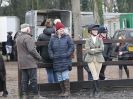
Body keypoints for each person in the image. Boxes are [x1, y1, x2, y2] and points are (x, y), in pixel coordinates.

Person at [16, 23, 42, 99]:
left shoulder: (18, 38)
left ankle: (24, 95)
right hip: (30, 62)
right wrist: (39, 57)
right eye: (29, 28)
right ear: (27, 29)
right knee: (33, 79)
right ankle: (36, 95)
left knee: (24, 79)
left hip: (22, 62)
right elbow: (31, 49)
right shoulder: (28, 38)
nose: (30, 30)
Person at [48, 22, 74, 96]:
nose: (62, 30)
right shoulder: (52, 38)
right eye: (60, 29)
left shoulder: (67, 37)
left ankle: (67, 92)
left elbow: (72, 46)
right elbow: (49, 48)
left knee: (65, 75)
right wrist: (52, 55)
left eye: (63, 29)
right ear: (57, 30)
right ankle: (63, 91)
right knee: (59, 76)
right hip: (56, 60)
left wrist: (67, 54)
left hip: (65, 60)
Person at [84, 24, 105, 96]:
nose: (96, 31)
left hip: (99, 59)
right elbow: (87, 50)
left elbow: (102, 49)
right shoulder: (88, 40)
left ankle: (92, 91)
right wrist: (96, 50)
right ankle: (98, 92)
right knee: (94, 75)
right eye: (94, 30)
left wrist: (93, 50)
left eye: (96, 30)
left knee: (96, 75)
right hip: (90, 59)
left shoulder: (100, 39)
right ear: (90, 31)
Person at [37, 19, 58, 83]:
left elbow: (38, 47)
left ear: (45, 26)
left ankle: (51, 86)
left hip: (45, 56)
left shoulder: (41, 36)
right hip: (55, 55)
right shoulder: (56, 35)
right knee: (55, 72)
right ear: (52, 25)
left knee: (49, 72)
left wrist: (39, 56)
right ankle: (56, 86)